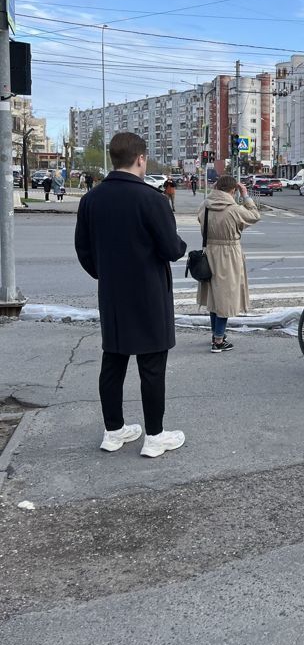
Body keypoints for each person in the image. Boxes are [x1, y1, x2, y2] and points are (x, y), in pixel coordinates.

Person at [75, 132, 187, 458]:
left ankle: (113, 432)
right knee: (151, 367)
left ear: (113, 158)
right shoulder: (153, 200)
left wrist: (104, 273)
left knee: (113, 362)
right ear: (141, 159)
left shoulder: (91, 199)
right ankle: (154, 437)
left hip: (112, 295)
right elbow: (171, 248)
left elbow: (84, 250)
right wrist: (178, 245)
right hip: (149, 295)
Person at [196, 174, 261, 353]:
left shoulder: (205, 205)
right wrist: (246, 195)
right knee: (225, 297)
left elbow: (200, 221)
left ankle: (216, 334)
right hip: (229, 254)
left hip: (209, 252)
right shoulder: (235, 209)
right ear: (233, 191)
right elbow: (255, 216)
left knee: (213, 296)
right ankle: (218, 341)